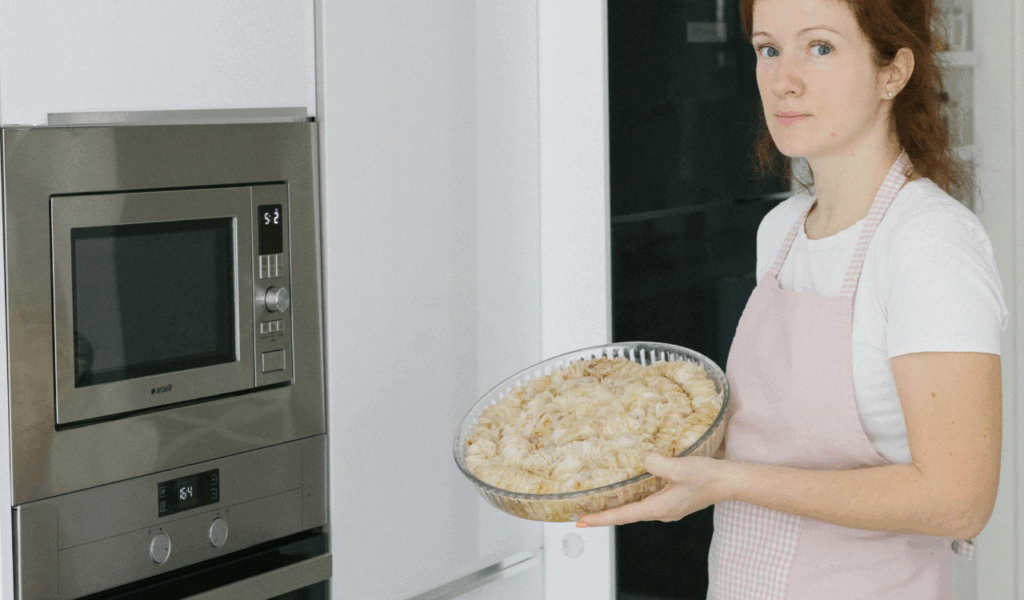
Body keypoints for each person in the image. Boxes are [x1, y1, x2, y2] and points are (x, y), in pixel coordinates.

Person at [576, 0, 1007, 597]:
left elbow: (959, 500)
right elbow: (774, 432)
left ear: (893, 71)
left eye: (821, 47)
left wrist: (730, 482)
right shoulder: (779, 232)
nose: (785, 78)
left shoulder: (928, 243)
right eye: (768, 49)